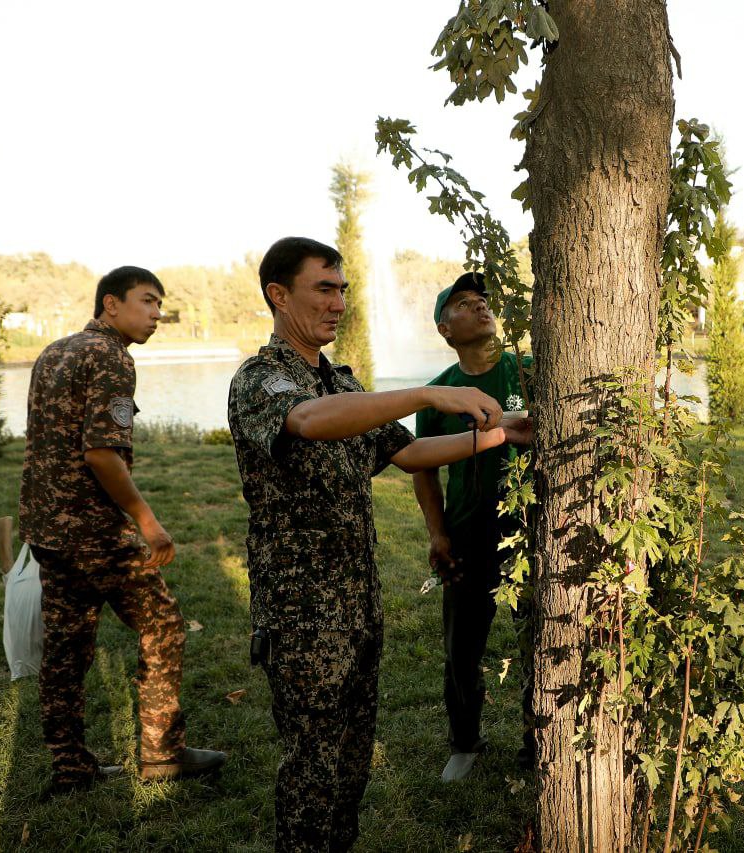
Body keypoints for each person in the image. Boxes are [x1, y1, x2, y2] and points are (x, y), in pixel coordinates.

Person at [227, 238, 531, 852]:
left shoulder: (341, 379)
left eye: (343, 290)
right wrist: (427, 394)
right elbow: (310, 422)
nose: (339, 303)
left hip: (358, 606)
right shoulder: (260, 379)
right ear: (278, 295)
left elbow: (407, 452)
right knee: (313, 772)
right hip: (302, 615)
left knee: (351, 766)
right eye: (324, 289)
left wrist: (500, 437)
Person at [19, 266, 226, 796]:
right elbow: (100, 453)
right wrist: (147, 520)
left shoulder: (54, 352)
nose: (158, 315)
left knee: (65, 652)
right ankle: (163, 753)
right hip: (94, 532)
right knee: (163, 625)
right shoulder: (110, 357)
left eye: (160, 305)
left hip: (48, 531)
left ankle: (70, 770)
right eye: (148, 302)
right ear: (111, 304)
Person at [413, 273, 535, 782]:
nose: (480, 306)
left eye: (482, 300)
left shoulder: (527, 370)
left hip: (533, 527)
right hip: (467, 530)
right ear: (445, 328)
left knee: (539, 635)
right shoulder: (440, 394)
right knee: (462, 644)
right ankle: (464, 740)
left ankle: (539, 740)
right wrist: (438, 533)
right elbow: (423, 468)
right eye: (464, 303)